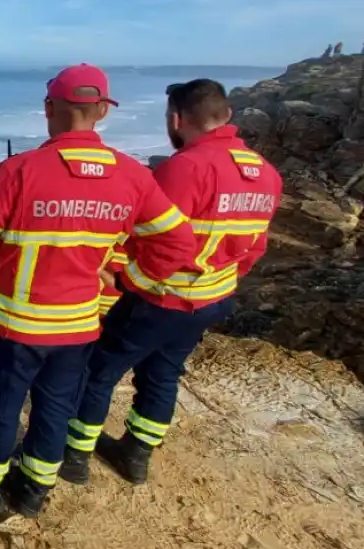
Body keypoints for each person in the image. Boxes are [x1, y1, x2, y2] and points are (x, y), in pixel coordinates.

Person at [0, 64, 197, 518]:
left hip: (16, 324)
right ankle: (35, 489)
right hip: (79, 323)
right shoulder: (133, 175)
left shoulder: (21, 169)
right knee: (56, 407)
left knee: (1, 403)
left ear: (49, 109)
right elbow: (178, 242)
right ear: (101, 112)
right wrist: (132, 280)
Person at [60, 79, 283, 487]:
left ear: (177, 119)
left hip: (163, 298)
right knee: (163, 373)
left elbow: (153, 237)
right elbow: (253, 249)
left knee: (98, 370)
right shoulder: (266, 174)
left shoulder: (187, 168)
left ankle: (74, 454)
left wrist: (129, 280)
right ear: (227, 115)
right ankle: (136, 454)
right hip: (213, 299)